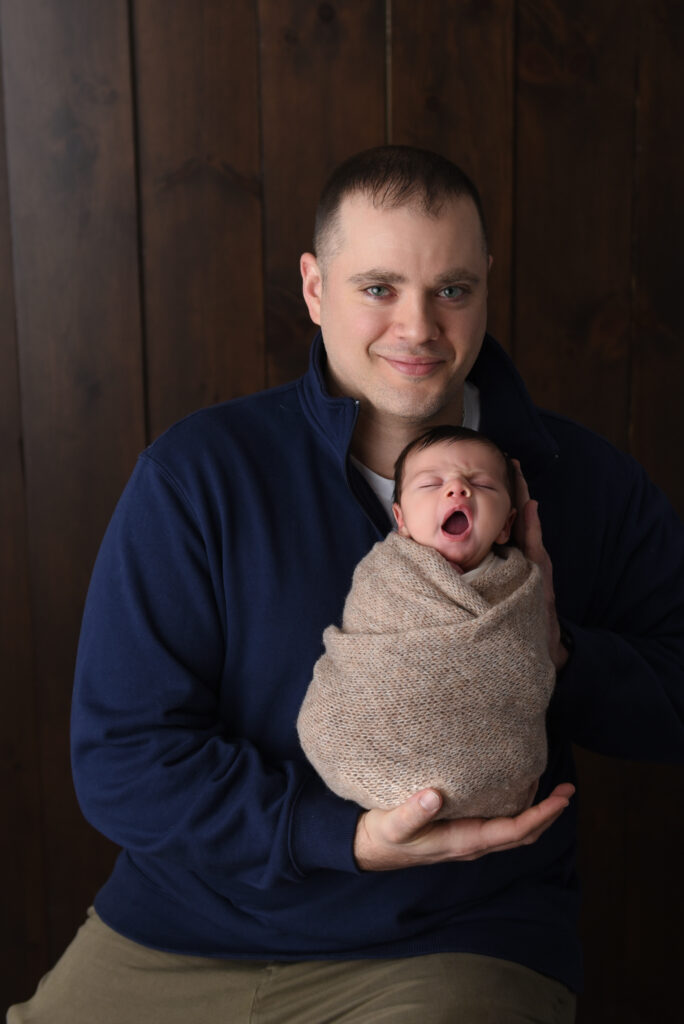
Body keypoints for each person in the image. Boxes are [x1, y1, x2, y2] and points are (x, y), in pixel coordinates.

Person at [8, 145, 684, 1024]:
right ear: (315, 288)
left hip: (453, 937)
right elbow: (122, 760)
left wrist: (557, 652)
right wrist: (343, 840)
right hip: (183, 930)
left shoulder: (584, 481)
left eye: (451, 289)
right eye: (377, 288)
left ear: (485, 282)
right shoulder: (199, 474)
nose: (418, 328)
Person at [298, 425, 555, 820]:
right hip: (373, 745)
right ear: (400, 519)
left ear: (506, 525)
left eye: (482, 485)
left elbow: (525, 667)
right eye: (431, 483)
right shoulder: (382, 579)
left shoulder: (518, 587)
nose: (457, 489)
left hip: (495, 768)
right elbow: (361, 667)